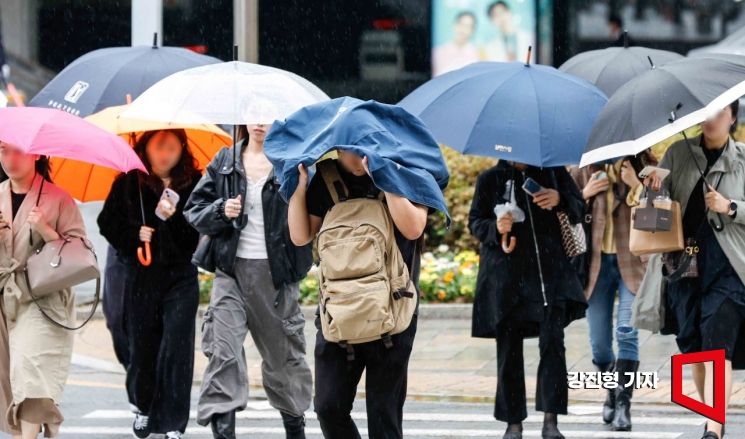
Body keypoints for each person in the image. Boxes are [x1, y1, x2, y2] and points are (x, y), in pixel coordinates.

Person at [287, 150, 427, 439]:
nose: (357, 158)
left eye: (364, 149)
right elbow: (301, 236)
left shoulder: (408, 169)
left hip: (393, 312)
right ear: (338, 147)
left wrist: (386, 176)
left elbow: (412, 229)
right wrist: (299, 186)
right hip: (338, 311)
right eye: (350, 151)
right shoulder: (326, 178)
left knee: (383, 416)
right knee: (328, 406)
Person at [185, 124, 313, 439]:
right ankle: (224, 433)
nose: (259, 122)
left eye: (267, 114)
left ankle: (294, 427)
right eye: (253, 112)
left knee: (283, 360)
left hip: (277, 275)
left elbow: (313, 214)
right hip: (230, 272)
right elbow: (194, 209)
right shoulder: (225, 160)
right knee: (222, 352)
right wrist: (221, 209)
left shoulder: (292, 160)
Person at [645, 101, 743, 439]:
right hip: (683, 266)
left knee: (717, 347)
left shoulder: (742, 159)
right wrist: (651, 193)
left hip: (729, 268)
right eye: (707, 113)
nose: (711, 119)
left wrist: (730, 207)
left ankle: (713, 430)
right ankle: (711, 415)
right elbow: (652, 218)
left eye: (720, 113)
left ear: (733, 118)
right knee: (695, 349)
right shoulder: (677, 154)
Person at [469, 161, 586, 439]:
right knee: (508, 349)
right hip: (506, 279)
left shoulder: (553, 172)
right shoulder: (490, 178)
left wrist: (559, 199)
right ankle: (513, 422)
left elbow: (580, 207)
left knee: (553, 343)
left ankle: (551, 419)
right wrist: (495, 227)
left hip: (550, 275)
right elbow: (475, 222)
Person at [97, 129, 202, 439]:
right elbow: (107, 223)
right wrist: (135, 235)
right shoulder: (130, 181)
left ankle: (172, 422)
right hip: (142, 277)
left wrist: (177, 220)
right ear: (146, 148)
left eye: (172, 146)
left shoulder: (194, 183)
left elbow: (199, 229)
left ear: (182, 149)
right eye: (159, 146)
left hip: (181, 277)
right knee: (143, 347)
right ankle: (143, 406)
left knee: (178, 347)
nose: (166, 153)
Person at [0, 144, 86, 438]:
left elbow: (81, 254)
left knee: (31, 369)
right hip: (4, 298)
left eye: (18, 152)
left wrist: (47, 230)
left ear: (36, 154)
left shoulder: (59, 199)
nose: (10, 159)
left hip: (43, 299)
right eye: (3, 151)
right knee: (10, 378)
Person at [571, 151, 656, 431]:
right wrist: (584, 193)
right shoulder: (583, 170)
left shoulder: (646, 170)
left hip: (632, 263)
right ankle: (611, 390)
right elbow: (565, 216)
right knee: (599, 345)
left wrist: (637, 187)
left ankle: (623, 403)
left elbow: (658, 222)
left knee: (627, 331)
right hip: (595, 266)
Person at [432, 11, 480, 76]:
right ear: (455, 25)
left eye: (468, 26)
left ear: (473, 31)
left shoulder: (477, 54)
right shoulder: (438, 52)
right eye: (462, 24)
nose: (464, 30)